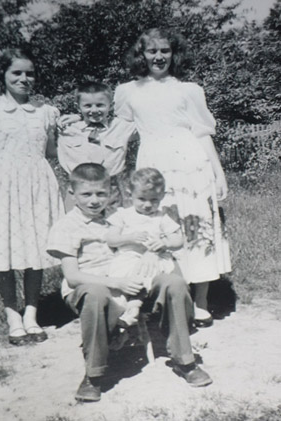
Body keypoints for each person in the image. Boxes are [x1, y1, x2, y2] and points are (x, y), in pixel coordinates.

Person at [47, 163, 212, 403]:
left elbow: (155, 241)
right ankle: (94, 375)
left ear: (112, 193)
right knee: (95, 294)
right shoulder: (67, 227)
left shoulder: (119, 217)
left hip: (134, 282)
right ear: (72, 195)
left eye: (101, 194)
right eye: (86, 194)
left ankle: (184, 360)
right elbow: (73, 276)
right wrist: (116, 282)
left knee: (174, 283)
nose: (94, 201)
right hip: (92, 287)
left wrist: (154, 252)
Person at [114, 28, 231, 327]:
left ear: (174, 53)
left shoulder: (189, 89)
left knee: (196, 227)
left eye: (165, 51)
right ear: (141, 54)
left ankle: (201, 302)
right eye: (152, 51)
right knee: (158, 227)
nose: (158, 57)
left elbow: (202, 134)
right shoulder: (127, 91)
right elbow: (119, 133)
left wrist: (219, 174)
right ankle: (166, 296)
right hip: (153, 165)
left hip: (191, 162)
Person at [0, 48, 64, 345]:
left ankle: (31, 316)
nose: (24, 79)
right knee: (5, 253)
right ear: (4, 75)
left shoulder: (46, 112)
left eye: (30, 73)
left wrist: (75, 133)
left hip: (39, 185)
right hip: (4, 187)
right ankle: (13, 317)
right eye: (17, 73)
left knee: (36, 251)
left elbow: (51, 151)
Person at [107, 167, 183, 327]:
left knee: (149, 273)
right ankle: (121, 314)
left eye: (154, 200)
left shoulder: (162, 217)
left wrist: (165, 243)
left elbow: (178, 240)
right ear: (130, 194)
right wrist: (129, 237)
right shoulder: (123, 215)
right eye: (142, 199)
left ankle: (134, 308)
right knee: (127, 276)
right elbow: (111, 240)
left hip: (155, 260)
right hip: (128, 257)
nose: (148, 205)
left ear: (162, 197)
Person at [57, 81, 137, 212]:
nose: (94, 110)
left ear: (110, 106)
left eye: (100, 105)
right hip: (78, 189)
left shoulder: (121, 127)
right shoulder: (68, 128)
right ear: (78, 107)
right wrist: (77, 117)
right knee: (76, 227)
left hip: (110, 189)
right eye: (87, 106)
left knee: (113, 225)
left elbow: (146, 122)